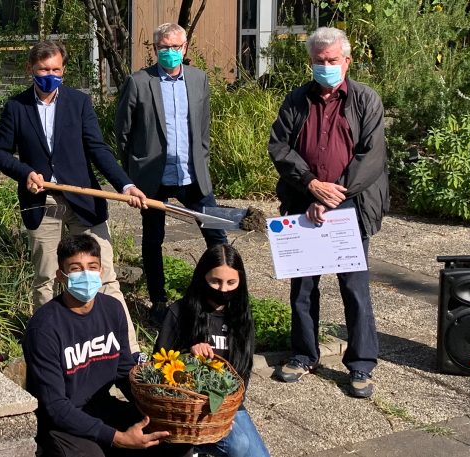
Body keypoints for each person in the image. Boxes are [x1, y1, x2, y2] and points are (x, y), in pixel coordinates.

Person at [0, 40, 146, 353]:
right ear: (30, 69)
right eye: (44, 69)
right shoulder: (16, 107)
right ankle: (48, 348)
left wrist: (125, 186)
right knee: (46, 276)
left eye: (56, 69)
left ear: (64, 69)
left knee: (104, 276)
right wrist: (25, 173)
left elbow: (98, 149)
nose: (50, 75)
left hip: (84, 199)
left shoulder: (79, 102)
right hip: (43, 200)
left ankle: (130, 350)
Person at [268, 27, 388, 398]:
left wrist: (331, 193)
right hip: (304, 200)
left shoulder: (366, 100)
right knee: (303, 287)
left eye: (332, 60)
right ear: (311, 62)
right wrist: (311, 185)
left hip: (350, 204)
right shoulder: (296, 100)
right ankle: (304, 354)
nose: (326, 66)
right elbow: (280, 146)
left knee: (355, 287)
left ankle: (361, 363)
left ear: (347, 61)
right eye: (319, 61)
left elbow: (371, 157)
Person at [24, 234, 192, 457]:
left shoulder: (112, 309)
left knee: (173, 438)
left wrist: (157, 406)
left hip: (103, 407)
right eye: (76, 268)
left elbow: (124, 371)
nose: (86, 274)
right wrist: (118, 438)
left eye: (92, 266)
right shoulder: (44, 328)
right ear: (61, 276)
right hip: (62, 423)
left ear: (101, 271)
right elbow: (55, 405)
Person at [115, 23, 228, 322]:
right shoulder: (139, 82)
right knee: (153, 239)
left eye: (175, 47)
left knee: (216, 232)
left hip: (191, 175)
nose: (170, 52)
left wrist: (201, 160)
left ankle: (219, 297)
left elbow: (203, 127)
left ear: (185, 48)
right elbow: (122, 133)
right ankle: (158, 300)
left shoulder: (198, 79)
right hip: (152, 177)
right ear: (154, 49)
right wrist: (131, 177)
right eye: (163, 47)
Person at [155, 244, 270, 457]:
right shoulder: (180, 312)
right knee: (238, 446)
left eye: (231, 282)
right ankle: (190, 447)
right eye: (215, 281)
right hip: (186, 408)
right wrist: (187, 354)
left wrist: (228, 410)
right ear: (202, 278)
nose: (223, 289)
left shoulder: (241, 318)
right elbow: (157, 367)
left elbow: (242, 373)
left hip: (225, 405)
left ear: (240, 282)